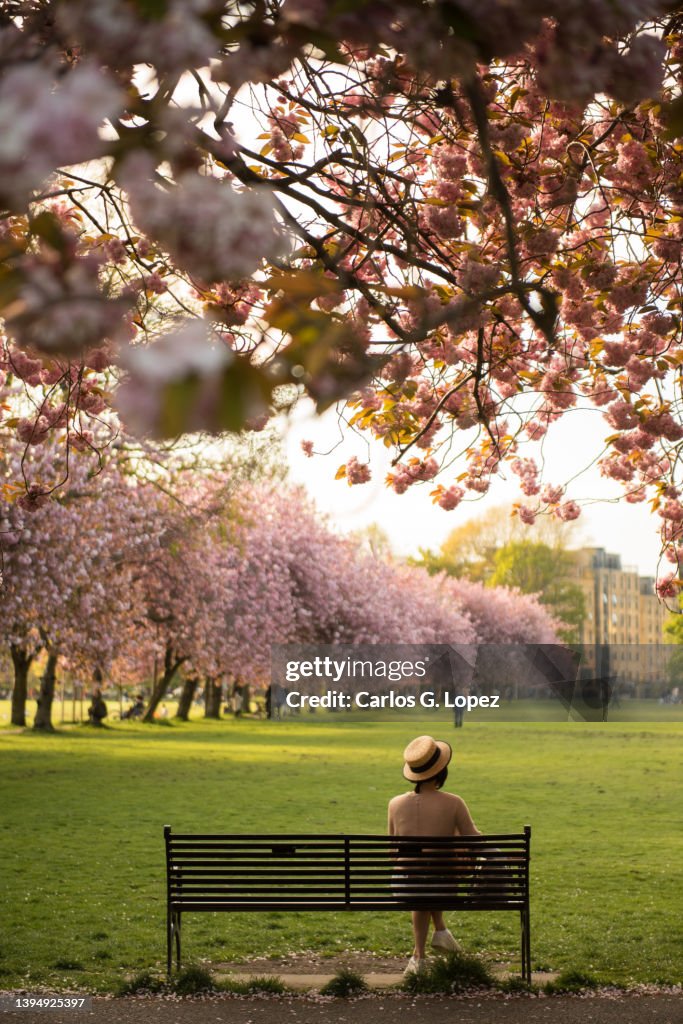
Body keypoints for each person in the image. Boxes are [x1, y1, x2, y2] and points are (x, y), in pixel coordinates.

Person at [387, 734, 480, 977]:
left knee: (421, 874)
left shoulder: (395, 804)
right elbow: (475, 839)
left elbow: (392, 851)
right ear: (441, 772)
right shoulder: (454, 802)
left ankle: (421, 955)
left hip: (405, 886)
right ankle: (438, 935)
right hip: (443, 885)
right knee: (434, 872)